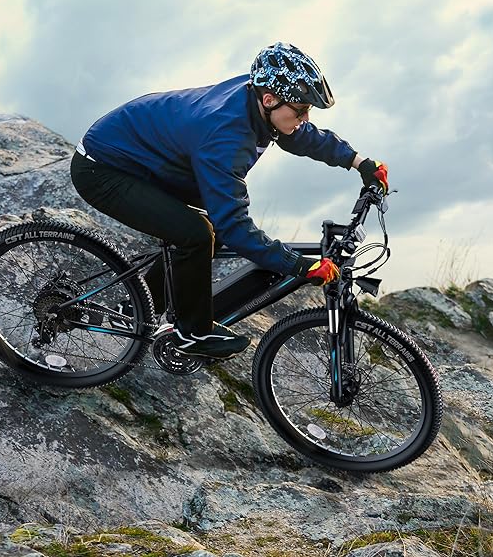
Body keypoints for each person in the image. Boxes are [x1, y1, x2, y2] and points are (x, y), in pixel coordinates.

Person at [70, 42, 388, 359]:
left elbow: (300, 135)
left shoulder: (260, 101)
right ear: (269, 100)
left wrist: (359, 162)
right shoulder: (226, 135)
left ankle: (139, 307)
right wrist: (298, 265)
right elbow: (234, 226)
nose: (305, 117)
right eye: (301, 109)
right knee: (197, 234)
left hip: (151, 161)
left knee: (210, 226)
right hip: (104, 168)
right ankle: (192, 334)